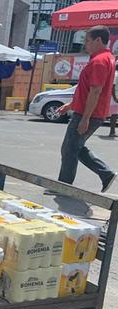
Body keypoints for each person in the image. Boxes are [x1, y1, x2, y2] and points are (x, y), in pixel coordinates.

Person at [49, 25, 117, 194]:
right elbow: (86, 89)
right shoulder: (104, 58)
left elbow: (95, 91)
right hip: (89, 112)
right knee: (75, 147)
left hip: (89, 114)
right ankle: (106, 174)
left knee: (69, 149)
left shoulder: (100, 61)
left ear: (98, 40)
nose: (85, 45)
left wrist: (85, 118)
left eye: (87, 41)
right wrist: (71, 105)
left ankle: (63, 186)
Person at [110, 61, 118, 137]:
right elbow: (112, 87)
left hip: (115, 97)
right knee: (114, 114)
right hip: (114, 98)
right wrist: (115, 97)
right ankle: (112, 132)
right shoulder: (115, 74)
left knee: (115, 114)